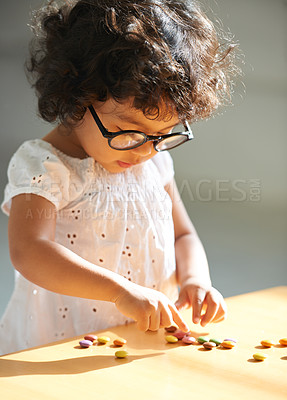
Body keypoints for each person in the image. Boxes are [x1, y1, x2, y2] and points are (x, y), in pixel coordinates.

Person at [0, 0, 239, 355]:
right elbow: (30, 251)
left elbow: (184, 235)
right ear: (77, 98)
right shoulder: (45, 166)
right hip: (63, 341)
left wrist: (195, 279)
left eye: (163, 135)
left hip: (140, 334)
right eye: (128, 133)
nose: (145, 151)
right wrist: (117, 290)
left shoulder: (152, 162)